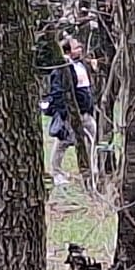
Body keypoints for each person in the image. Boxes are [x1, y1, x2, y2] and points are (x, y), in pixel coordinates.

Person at [47, 36, 96, 190]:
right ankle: (56, 172)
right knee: (63, 142)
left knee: (92, 138)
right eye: (76, 47)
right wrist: (65, 112)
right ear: (68, 51)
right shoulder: (62, 68)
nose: (80, 49)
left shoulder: (81, 65)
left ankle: (91, 169)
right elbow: (57, 91)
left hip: (85, 111)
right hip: (72, 113)